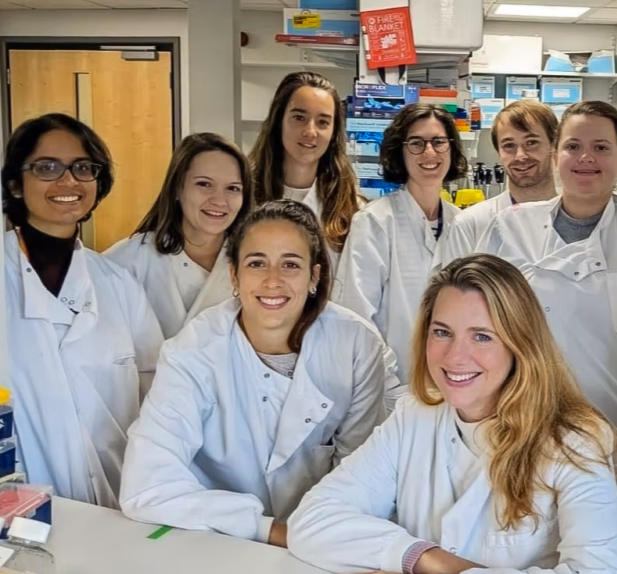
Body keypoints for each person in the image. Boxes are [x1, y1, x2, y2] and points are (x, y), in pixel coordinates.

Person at [288, 254, 617, 574]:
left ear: (521, 345)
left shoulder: (575, 441)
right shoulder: (415, 415)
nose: (455, 356)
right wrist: (424, 558)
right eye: (442, 332)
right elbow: (311, 521)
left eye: (482, 336)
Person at [119, 201, 390, 547]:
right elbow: (146, 487)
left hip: (319, 541)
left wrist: (317, 537)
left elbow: (358, 473)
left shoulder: (355, 345)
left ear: (315, 276)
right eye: (256, 263)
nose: (272, 280)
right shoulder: (194, 350)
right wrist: (268, 530)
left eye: (290, 264)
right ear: (234, 275)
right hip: (214, 541)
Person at [445, 100, 617, 428]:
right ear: (555, 157)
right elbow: (477, 324)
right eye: (573, 146)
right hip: (521, 414)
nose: (585, 157)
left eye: (601, 147)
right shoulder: (510, 227)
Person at [2, 113, 163, 508]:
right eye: (46, 167)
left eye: (83, 168)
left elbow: (157, 390)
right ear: (15, 185)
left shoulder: (118, 283)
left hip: (116, 499)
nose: (68, 181)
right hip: (15, 506)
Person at [337, 103, 465, 386]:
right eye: (416, 143)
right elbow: (355, 316)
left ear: (451, 149)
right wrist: (391, 383)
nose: (429, 153)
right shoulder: (374, 222)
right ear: (400, 152)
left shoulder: (463, 224)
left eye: (439, 142)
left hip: (454, 383)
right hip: (388, 386)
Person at [105, 133, 252, 338]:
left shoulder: (255, 261)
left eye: (233, 188)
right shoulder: (124, 262)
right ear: (176, 188)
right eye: (204, 184)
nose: (219, 200)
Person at [248, 71, 362, 275]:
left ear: (334, 133)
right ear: (278, 121)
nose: (310, 131)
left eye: (323, 122)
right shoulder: (242, 196)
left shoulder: (354, 211)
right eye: (299, 117)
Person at [447, 100, 558, 251]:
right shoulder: (471, 224)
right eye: (509, 146)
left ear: (554, 146)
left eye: (531, 142)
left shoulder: (582, 218)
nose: (520, 155)